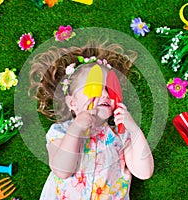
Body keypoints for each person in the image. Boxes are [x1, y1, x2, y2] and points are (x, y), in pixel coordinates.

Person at [29, 40, 154, 199]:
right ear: (72, 103)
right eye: (94, 87)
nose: (105, 95)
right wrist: (76, 129)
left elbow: (144, 172)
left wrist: (134, 129)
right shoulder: (61, 132)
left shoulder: (121, 136)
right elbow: (62, 170)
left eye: (109, 89)